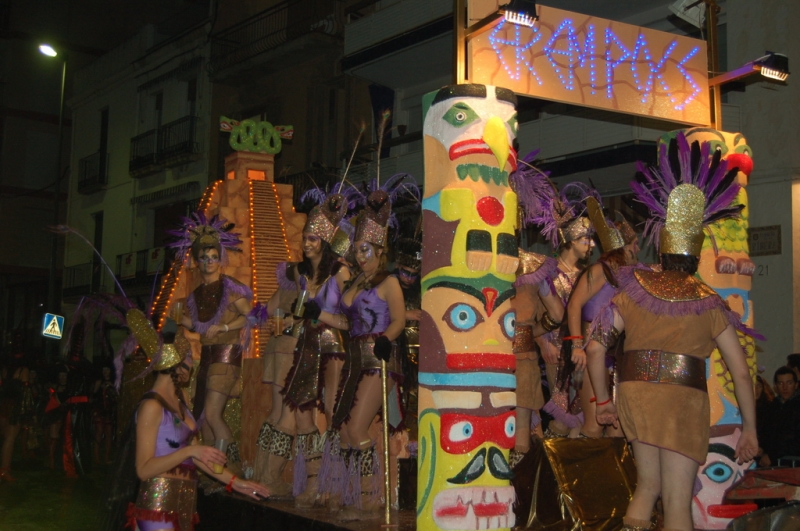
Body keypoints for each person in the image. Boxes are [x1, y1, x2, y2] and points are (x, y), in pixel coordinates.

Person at [587, 134, 758, 531]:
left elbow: (596, 349)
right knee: (678, 501)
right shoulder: (711, 303)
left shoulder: (632, 290)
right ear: (696, 257)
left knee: (647, 486)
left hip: (635, 393)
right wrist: (750, 427)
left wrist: (601, 402)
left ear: (661, 253)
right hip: (682, 401)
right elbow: (742, 372)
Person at [101, 310, 268, 531]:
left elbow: (198, 455)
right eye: (188, 357)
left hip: (184, 504)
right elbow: (143, 469)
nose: (192, 361)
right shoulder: (152, 406)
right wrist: (189, 452)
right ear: (173, 362)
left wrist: (236, 483)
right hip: (157, 508)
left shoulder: (182, 400)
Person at [254, 189, 352, 505]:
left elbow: (350, 320)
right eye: (305, 238)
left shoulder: (339, 272)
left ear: (324, 242)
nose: (306, 243)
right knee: (301, 419)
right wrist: (273, 318)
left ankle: (334, 485)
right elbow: (278, 307)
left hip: (331, 350)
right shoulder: (298, 273)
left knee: (335, 417)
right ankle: (314, 484)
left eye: (313, 238)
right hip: (303, 350)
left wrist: (320, 314)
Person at [324, 188, 406, 521]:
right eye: (357, 249)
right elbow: (346, 321)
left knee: (357, 429)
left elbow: (399, 319)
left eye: (366, 249)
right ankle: (351, 494)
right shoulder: (356, 282)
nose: (360, 255)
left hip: (378, 360)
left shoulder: (389, 282)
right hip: (354, 359)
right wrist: (316, 314)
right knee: (344, 430)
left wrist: (387, 338)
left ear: (379, 249)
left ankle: (372, 497)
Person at [171, 213, 252, 465]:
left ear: (220, 260)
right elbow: (199, 327)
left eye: (213, 258)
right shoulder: (195, 295)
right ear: (197, 261)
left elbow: (253, 317)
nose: (209, 262)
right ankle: (213, 472)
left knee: (214, 416)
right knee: (204, 419)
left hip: (226, 355)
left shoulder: (231, 287)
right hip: (206, 358)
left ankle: (224, 468)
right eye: (204, 258)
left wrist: (226, 325)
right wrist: (180, 318)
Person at [567, 198, 639, 438]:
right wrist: (577, 345)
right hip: (590, 352)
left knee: (616, 428)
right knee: (594, 426)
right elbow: (574, 304)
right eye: (634, 245)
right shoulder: (599, 271)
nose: (638, 250)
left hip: (614, 355)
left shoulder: (629, 278)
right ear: (623, 248)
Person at [759, 367, 800, 467]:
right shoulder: (772, 406)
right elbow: (766, 433)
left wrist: (772, 455)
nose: (785, 387)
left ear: (796, 385)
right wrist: (761, 447)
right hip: (772, 462)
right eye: (781, 383)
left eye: (789, 383)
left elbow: (796, 441)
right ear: (775, 386)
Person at [93, 365, 118, 465]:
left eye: (107, 369)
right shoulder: (99, 382)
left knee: (108, 434)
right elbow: (93, 395)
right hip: (99, 410)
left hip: (109, 412)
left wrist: (111, 386)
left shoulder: (114, 383)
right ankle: (96, 458)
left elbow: (117, 397)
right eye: (104, 369)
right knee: (99, 432)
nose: (105, 372)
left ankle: (106, 457)